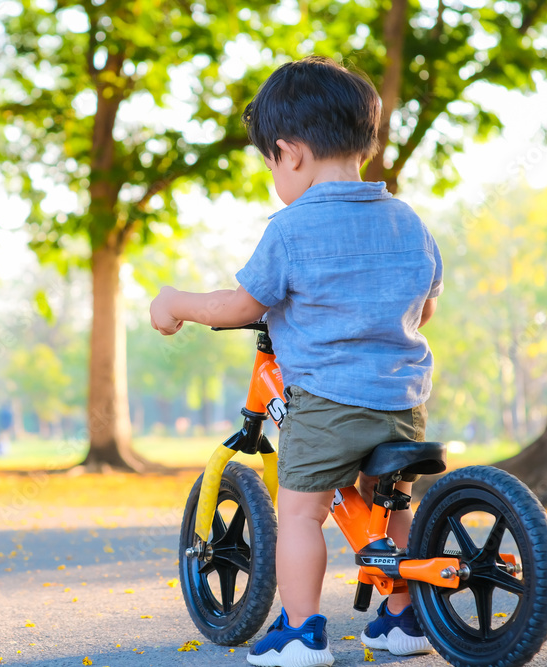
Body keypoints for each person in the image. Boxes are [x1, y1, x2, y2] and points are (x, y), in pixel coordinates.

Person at [149, 56, 442, 667]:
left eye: (269, 164)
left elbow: (240, 305)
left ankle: (304, 630)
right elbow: (426, 308)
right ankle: (403, 615)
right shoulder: (407, 220)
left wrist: (176, 301)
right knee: (391, 501)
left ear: (290, 153)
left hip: (328, 402)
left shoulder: (291, 229)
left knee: (303, 512)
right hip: (403, 401)